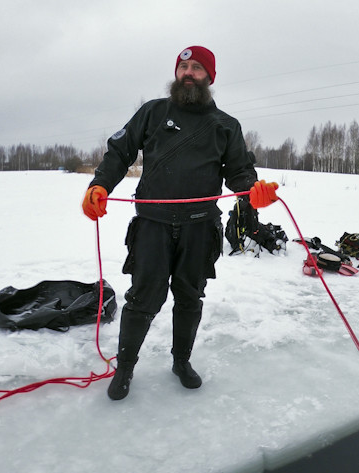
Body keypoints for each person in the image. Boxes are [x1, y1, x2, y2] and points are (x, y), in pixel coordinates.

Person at [81, 46, 279, 400]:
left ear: (210, 77)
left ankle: (181, 361)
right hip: (153, 225)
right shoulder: (153, 112)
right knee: (143, 299)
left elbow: (239, 172)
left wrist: (253, 191)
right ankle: (124, 368)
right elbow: (120, 152)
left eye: (197, 68)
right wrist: (99, 185)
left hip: (200, 228)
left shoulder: (226, 126)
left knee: (189, 298)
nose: (188, 72)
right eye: (183, 66)